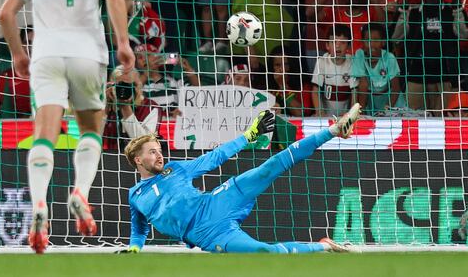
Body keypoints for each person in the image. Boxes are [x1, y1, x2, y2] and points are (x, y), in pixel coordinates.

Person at [0, 0, 135, 254]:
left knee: (44, 132)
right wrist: (122, 42)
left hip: (45, 54)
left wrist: (18, 53)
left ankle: (40, 203)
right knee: (90, 130)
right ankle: (80, 193)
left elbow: (5, 13)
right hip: (88, 53)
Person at [123, 106, 360, 253]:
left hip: (217, 202)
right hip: (207, 234)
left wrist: (249, 136)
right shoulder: (135, 195)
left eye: (159, 149)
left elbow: (215, 157)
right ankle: (324, 246)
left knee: (269, 167)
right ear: (138, 160)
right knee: (264, 253)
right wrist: (134, 248)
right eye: (152, 151)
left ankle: (334, 130)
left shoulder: (175, 169)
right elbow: (139, 230)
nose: (159, 154)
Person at [352, 22, 403, 115]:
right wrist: (360, 113)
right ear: (363, 42)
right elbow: (363, 86)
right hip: (371, 103)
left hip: (392, 102)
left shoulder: (389, 58)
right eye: (367, 40)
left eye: (375, 40)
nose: (371, 44)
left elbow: (396, 88)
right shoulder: (360, 55)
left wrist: (386, 111)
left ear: (383, 42)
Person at [311, 24, 358, 116]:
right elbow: (315, 91)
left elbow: (355, 93)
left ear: (349, 46)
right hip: (325, 116)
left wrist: (350, 115)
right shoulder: (322, 62)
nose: (338, 46)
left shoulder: (352, 63)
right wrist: (320, 111)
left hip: (344, 116)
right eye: (334, 42)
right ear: (327, 46)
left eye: (343, 42)